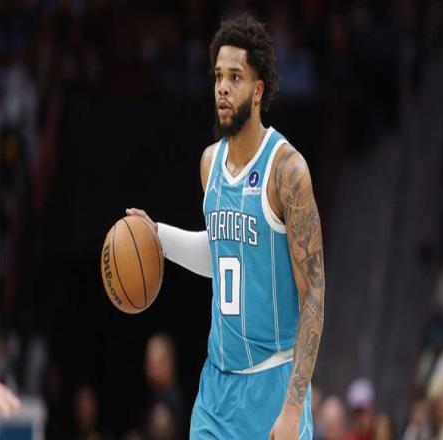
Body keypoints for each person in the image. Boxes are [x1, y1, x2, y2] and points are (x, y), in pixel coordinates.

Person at [126, 12, 325, 440]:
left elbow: (313, 294)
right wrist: (157, 235)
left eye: (235, 77)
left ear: (258, 90)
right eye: (218, 76)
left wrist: (293, 406)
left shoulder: (287, 170)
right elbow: (221, 254)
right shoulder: (209, 163)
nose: (222, 87)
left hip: (273, 384)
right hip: (217, 388)